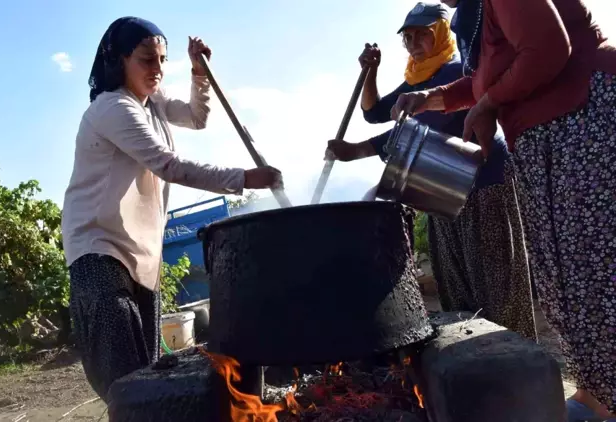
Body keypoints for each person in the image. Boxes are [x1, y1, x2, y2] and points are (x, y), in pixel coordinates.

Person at [393, 0, 616, 418]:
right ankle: (598, 394)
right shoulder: (473, 17)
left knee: (595, 268)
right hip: (546, 139)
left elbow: (546, 48)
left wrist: (489, 102)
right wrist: (430, 99)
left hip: (581, 122)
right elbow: (483, 81)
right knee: (567, 277)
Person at [61, 17, 282, 401]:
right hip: (99, 249)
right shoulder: (112, 109)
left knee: (145, 371)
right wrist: (245, 177)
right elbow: (169, 166)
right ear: (119, 60)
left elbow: (198, 117)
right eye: (147, 59)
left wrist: (199, 73)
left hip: (141, 252)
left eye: (162, 60)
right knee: (125, 380)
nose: (157, 70)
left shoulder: (154, 104)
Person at [326, 2, 536, 340]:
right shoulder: (416, 79)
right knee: (455, 281)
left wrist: (359, 150)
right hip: (440, 189)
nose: (413, 43)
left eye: (421, 35)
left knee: (495, 280)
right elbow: (374, 112)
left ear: (439, 33)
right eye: (407, 38)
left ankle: (516, 360)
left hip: (481, 181)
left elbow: (427, 122)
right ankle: (472, 359)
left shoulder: (456, 71)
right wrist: (370, 72)